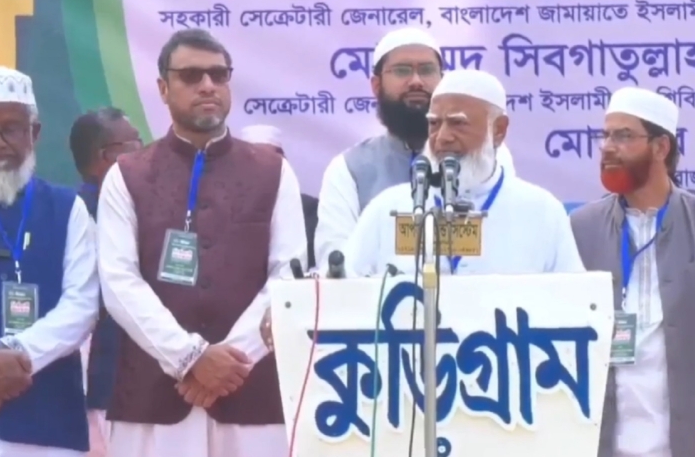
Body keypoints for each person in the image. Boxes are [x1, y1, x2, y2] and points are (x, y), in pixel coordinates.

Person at [96, 29, 307, 457]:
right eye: (192, 76)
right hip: (154, 398)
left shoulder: (273, 171)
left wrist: (232, 362)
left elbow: (287, 276)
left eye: (218, 74)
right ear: (163, 88)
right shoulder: (128, 174)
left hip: (252, 395)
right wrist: (189, 357)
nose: (208, 85)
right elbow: (118, 281)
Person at [569, 87, 695, 457]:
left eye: (624, 135)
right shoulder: (580, 227)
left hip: (694, 439)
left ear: (661, 147)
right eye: (605, 136)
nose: (608, 147)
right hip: (602, 440)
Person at [0, 66, 100, 457]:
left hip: (50, 425)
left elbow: (83, 304)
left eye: (11, 128)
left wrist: (17, 356)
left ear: (34, 133)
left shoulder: (69, 208)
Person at [343, 69, 583, 276]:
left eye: (458, 123)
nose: (442, 138)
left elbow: (574, 303)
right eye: (434, 124)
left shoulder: (542, 212)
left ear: (498, 130)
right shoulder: (388, 209)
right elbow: (345, 294)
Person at [314, 27, 515, 272]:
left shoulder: (488, 156)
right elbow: (335, 265)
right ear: (376, 85)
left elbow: (507, 238)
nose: (417, 81)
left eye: (427, 70)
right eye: (402, 71)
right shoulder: (349, 168)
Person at [68, 107, 142, 457]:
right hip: (99, 386)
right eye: (135, 145)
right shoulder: (74, 217)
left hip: (144, 385)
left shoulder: (143, 208)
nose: (144, 154)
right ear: (105, 157)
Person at [241, 124, 319, 269]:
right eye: (253, 161)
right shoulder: (226, 210)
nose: (262, 168)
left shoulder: (312, 210)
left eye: (268, 159)